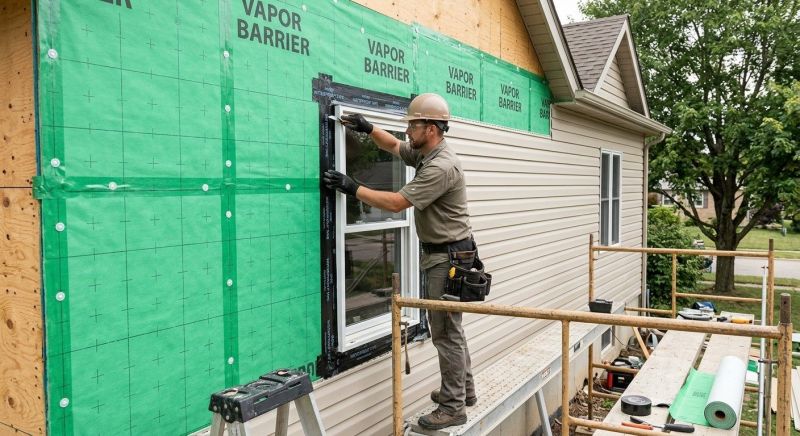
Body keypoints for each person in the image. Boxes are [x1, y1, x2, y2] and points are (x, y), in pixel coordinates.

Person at [323, 93, 477, 430]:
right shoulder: (428, 152)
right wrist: (368, 128)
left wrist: (352, 187)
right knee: (453, 328)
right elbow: (394, 147)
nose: (408, 130)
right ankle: (464, 391)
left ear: (432, 129)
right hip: (451, 253)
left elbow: (395, 203)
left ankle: (453, 407)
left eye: (413, 124)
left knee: (445, 333)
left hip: (448, 259)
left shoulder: (440, 166)